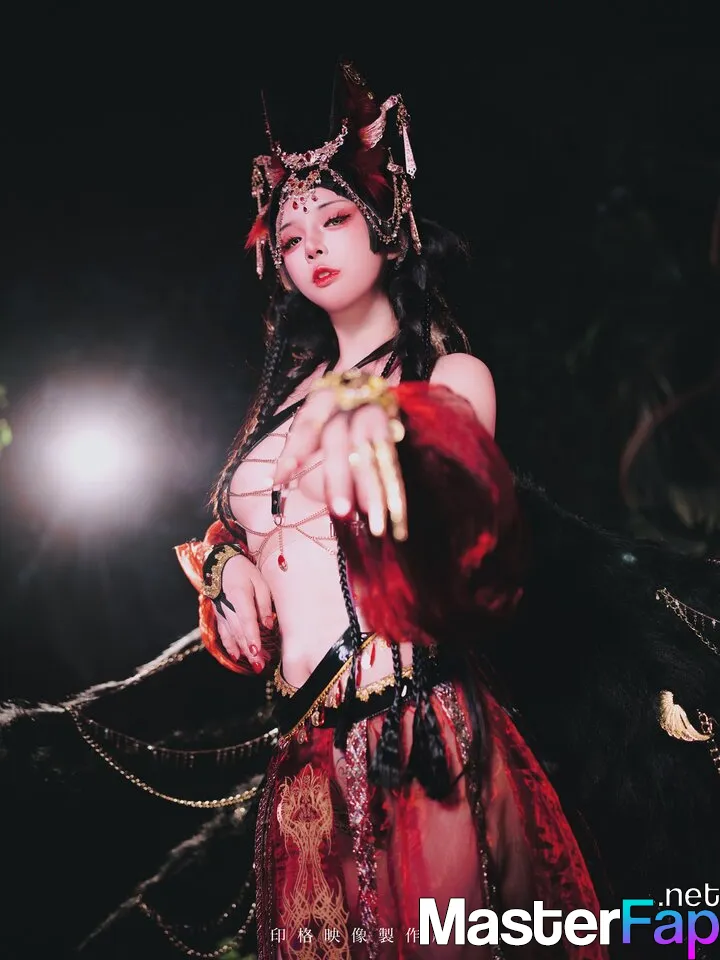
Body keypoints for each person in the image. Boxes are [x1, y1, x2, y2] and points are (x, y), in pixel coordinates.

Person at [173, 60, 607, 960]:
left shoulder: (445, 375)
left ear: (387, 226)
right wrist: (226, 566)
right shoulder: (279, 403)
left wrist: (372, 420)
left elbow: (468, 520)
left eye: (334, 219)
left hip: (414, 732)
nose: (312, 247)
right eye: (292, 235)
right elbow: (252, 526)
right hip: (301, 753)